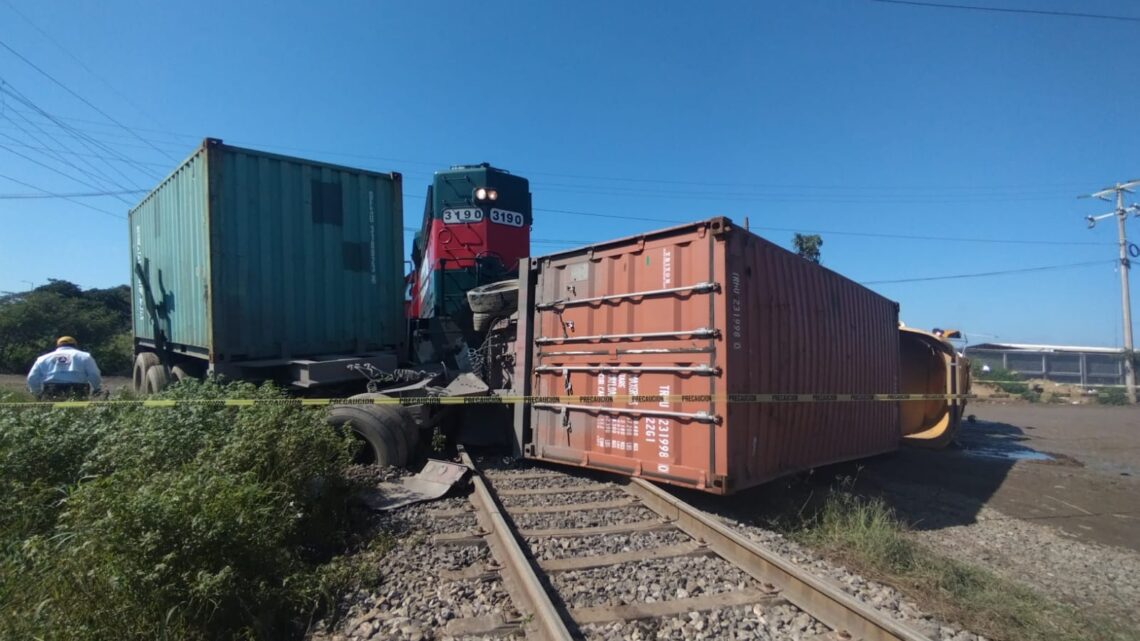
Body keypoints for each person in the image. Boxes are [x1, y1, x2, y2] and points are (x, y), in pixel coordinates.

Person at [27, 336, 103, 400]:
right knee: (78, 411)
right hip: (78, 389)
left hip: (52, 389)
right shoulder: (85, 356)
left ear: (58, 346)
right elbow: (94, 374)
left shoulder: (43, 358)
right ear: (75, 345)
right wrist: (96, 388)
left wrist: (37, 393)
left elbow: (32, 377)